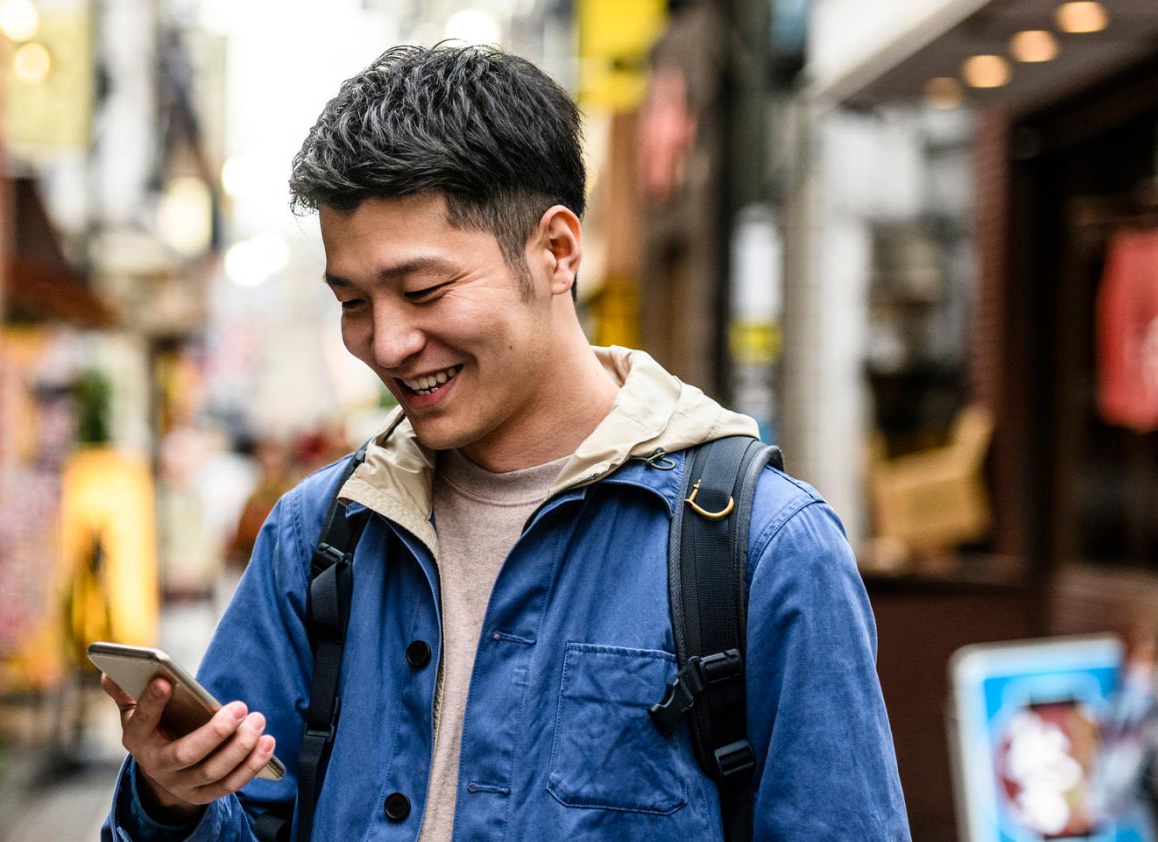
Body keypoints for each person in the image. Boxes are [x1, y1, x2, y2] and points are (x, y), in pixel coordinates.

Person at [101, 44, 910, 840]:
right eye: (352, 301)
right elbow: (243, 814)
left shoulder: (763, 550)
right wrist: (174, 802)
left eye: (423, 290)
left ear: (557, 251)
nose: (386, 343)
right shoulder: (316, 536)